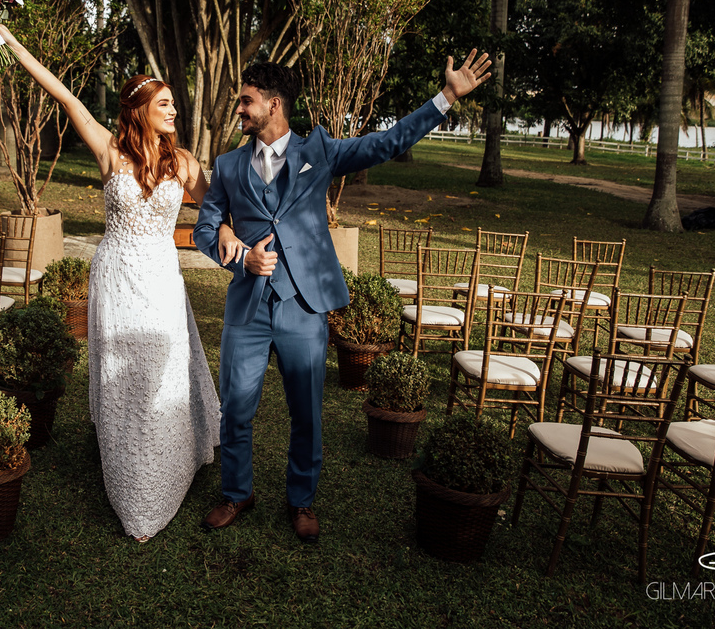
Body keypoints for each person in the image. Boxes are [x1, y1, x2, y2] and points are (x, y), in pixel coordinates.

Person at [193, 51, 492, 543]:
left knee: (306, 413)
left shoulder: (321, 152)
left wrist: (447, 97)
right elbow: (206, 229)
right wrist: (237, 255)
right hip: (246, 307)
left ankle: (301, 500)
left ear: (273, 104)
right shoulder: (227, 166)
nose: (239, 110)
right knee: (237, 407)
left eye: (246, 102)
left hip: (303, 305)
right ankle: (236, 493)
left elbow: (387, 142)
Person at [0, 22, 240, 543]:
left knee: (163, 366)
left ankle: (169, 459)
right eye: (165, 105)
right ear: (139, 110)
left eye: (175, 105)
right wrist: (8, 40)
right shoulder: (110, 152)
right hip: (117, 273)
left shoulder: (185, 163)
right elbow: (61, 92)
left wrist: (239, 231)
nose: (174, 112)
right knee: (123, 373)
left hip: (161, 279)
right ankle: (128, 472)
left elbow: (221, 207)